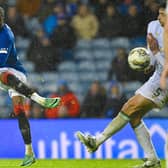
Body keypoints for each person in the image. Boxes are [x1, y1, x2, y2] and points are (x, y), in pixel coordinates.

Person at [76, 3, 167, 168]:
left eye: (163, 15)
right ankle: (152, 160)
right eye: (159, 14)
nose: (159, 18)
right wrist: (148, 62)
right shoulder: (153, 26)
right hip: (158, 76)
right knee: (133, 113)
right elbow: (153, 57)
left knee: (132, 107)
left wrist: (155, 54)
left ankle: (97, 141)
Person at [0, 7, 61, 166]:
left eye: (0, 18)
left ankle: (40, 100)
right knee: (19, 112)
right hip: (6, 75)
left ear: (3, 18)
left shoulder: (5, 35)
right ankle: (29, 152)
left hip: (14, 72)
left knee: (2, 75)